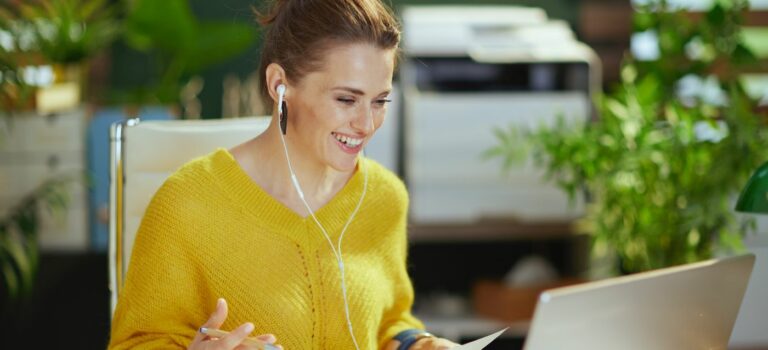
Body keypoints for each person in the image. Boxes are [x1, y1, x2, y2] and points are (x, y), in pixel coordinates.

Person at [108, 0, 459, 349]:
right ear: (279, 84)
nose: (367, 125)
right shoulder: (186, 204)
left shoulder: (383, 196)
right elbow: (135, 343)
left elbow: (388, 322)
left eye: (380, 101)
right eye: (346, 100)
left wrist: (420, 343)